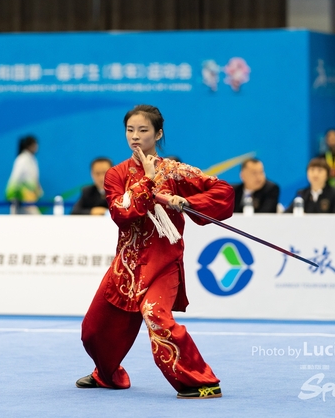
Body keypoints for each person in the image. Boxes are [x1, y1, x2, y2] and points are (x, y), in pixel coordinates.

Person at [76, 104, 234, 399]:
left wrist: (188, 203)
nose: (135, 136)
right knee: (92, 332)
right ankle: (107, 374)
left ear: (158, 134)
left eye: (143, 130)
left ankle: (201, 381)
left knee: (156, 317)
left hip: (163, 264)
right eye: (130, 130)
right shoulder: (116, 175)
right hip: (125, 269)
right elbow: (121, 212)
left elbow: (223, 192)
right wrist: (148, 182)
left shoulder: (174, 171)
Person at [5, 135, 43, 214]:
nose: (37, 147)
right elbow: (15, 178)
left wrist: (38, 189)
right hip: (20, 199)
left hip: (28, 198)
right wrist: (14, 196)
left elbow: (33, 179)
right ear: (29, 146)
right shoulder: (22, 159)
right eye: (35, 144)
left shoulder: (32, 160)